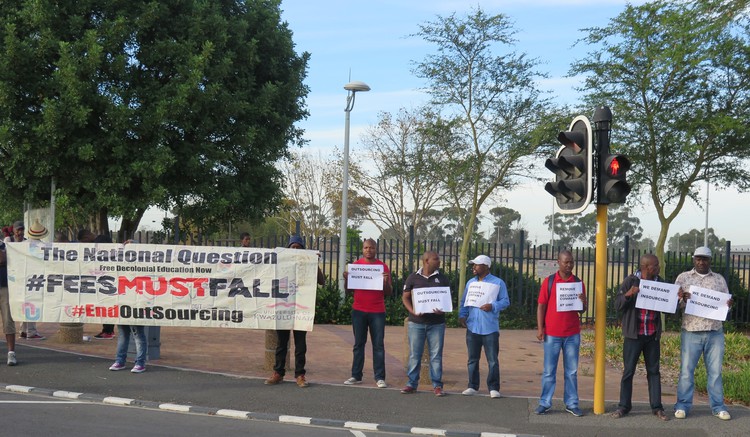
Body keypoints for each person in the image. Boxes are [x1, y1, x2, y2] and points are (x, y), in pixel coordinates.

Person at [674, 246, 734, 421]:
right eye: (698, 259)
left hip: (715, 332)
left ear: (710, 260)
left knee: (715, 372)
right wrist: (681, 299)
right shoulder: (683, 278)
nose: (701, 262)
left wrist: (729, 305)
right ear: (694, 259)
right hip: (691, 331)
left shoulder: (719, 280)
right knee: (686, 371)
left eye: (705, 259)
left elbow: (725, 304)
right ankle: (682, 405)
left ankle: (718, 407)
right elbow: (673, 303)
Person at [611, 254, 668, 421]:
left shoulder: (660, 282)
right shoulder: (630, 281)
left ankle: (657, 407)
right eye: (655, 265)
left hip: (651, 334)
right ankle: (624, 406)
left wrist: (675, 299)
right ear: (646, 267)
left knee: (654, 372)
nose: (658, 267)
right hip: (633, 335)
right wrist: (628, 294)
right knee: (628, 371)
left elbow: (668, 309)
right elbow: (617, 305)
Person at [265, 235, 325, 388]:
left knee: (300, 344)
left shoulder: (308, 264)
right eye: (293, 247)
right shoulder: (282, 264)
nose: (296, 250)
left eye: (299, 247)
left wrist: (314, 263)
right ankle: (278, 372)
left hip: (301, 308)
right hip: (283, 306)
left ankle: (300, 374)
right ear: (289, 249)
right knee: (281, 343)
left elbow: (322, 281)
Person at [535, 250, 586, 417]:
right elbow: (541, 306)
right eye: (566, 262)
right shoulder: (549, 282)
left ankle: (572, 403)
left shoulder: (578, 282)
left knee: (571, 371)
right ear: (558, 262)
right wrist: (540, 328)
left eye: (571, 262)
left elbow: (582, 310)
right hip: (552, 334)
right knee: (549, 371)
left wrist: (583, 301)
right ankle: (544, 403)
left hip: (572, 334)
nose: (569, 265)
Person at [458, 255, 510, 399]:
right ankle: (472, 385)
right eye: (473, 265)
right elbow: (464, 301)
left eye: (477, 265)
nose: (474, 267)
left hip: (490, 327)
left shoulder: (498, 283)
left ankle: (493, 387)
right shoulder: (470, 283)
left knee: (492, 360)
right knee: (472, 359)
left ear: (486, 266)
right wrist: (462, 315)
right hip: (472, 326)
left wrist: (493, 306)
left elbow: (505, 301)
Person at [343, 238, 392, 388]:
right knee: (359, 344)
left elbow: (389, 292)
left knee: (378, 345)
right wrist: (347, 279)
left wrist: (384, 282)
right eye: (365, 248)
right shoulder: (356, 266)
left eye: (371, 247)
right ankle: (356, 375)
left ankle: (380, 377)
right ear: (362, 249)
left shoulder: (382, 267)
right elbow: (349, 290)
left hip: (377, 311)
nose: (368, 250)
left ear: (375, 249)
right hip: (359, 310)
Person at [400, 251, 450, 397]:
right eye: (436, 259)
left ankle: (437, 385)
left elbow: (446, 300)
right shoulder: (413, 278)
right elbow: (405, 298)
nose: (439, 261)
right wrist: (413, 311)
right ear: (427, 261)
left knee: (436, 355)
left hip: (437, 324)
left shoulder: (442, 279)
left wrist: (443, 310)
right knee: (415, 355)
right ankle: (412, 384)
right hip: (416, 323)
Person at [9, 220, 46, 340]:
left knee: (25, 303)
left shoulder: (24, 243)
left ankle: (24, 330)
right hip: (28, 278)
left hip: (22, 278)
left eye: (21, 230)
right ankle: (31, 331)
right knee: (31, 304)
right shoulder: (38, 245)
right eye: (18, 229)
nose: (20, 232)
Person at [0, 240, 17, 365]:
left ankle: (11, 353)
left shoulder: (5, 245)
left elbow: (2, 258)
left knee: (8, 320)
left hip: (6, 287)